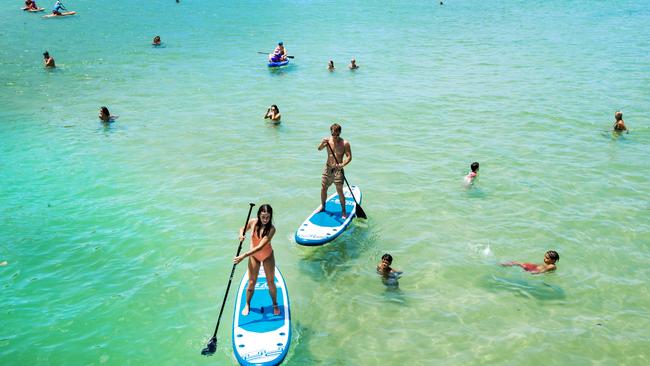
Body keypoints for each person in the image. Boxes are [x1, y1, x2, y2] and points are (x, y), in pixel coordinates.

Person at [233, 204, 280, 316]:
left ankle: (274, 304)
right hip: (254, 257)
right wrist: (241, 235)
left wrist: (243, 256)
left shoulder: (272, 229)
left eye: (268, 217)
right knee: (251, 282)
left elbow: (260, 247)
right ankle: (248, 304)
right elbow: (242, 228)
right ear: (259, 215)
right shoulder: (253, 222)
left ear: (270, 216)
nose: (265, 219)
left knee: (270, 282)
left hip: (267, 256)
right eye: (263, 216)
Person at [318, 123, 352, 219]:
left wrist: (343, 164)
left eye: (337, 134)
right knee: (323, 188)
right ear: (331, 132)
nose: (335, 137)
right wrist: (322, 144)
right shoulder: (327, 141)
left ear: (340, 133)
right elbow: (319, 149)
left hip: (338, 169)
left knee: (339, 190)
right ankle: (323, 206)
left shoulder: (345, 143)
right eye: (333, 134)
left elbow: (349, 157)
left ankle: (344, 211)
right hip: (328, 168)